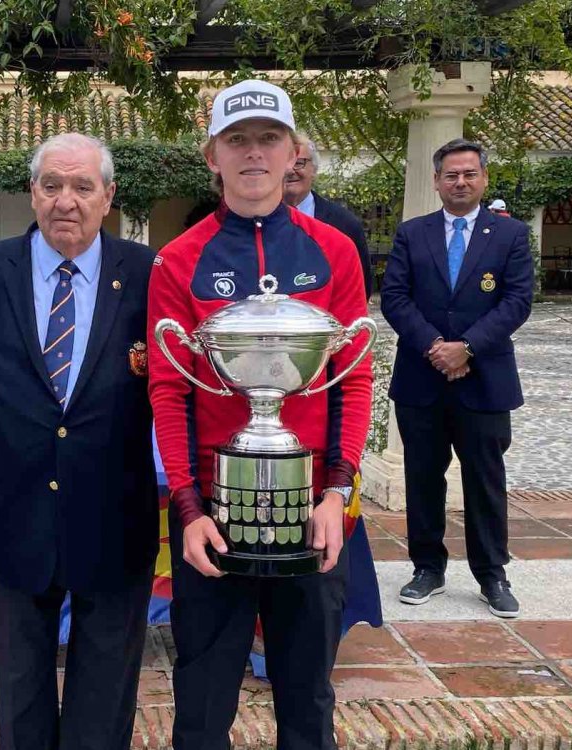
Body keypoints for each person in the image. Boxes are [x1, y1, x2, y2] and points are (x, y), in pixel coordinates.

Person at [147, 80, 373, 750]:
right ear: (211, 154)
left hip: (313, 511)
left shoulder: (334, 251)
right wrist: (188, 510)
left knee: (308, 699)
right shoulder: (178, 259)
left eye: (268, 138)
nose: (254, 153)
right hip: (214, 516)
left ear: (293, 152)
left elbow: (353, 380)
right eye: (236, 140)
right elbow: (169, 391)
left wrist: (337, 493)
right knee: (202, 699)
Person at [0, 133, 159, 750]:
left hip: (115, 517)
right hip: (13, 514)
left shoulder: (150, 276)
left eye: (82, 186)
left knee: (105, 703)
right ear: (32, 192)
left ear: (109, 195)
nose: (65, 200)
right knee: (20, 699)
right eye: (52, 185)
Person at [381, 138, 533, 619]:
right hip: (421, 378)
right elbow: (395, 298)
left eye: (469, 174)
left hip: (484, 377)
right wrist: (436, 348)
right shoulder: (412, 233)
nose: (460, 182)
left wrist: (466, 348)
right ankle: (427, 567)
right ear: (437, 181)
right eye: (451, 175)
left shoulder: (509, 236)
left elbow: (516, 302)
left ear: (484, 178)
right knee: (422, 476)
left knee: (485, 479)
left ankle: (492, 574)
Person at [283, 132, 374, 299]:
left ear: (314, 170)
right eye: (284, 163)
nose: (290, 171)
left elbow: (360, 291)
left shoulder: (345, 224)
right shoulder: (252, 220)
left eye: (299, 163)